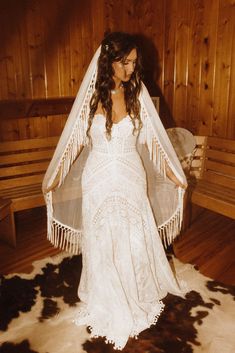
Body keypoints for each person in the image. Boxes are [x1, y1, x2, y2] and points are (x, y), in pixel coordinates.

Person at [42, 32, 188, 350]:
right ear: (108, 61)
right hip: (98, 179)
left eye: (134, 63)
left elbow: (154, 145)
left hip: (131, 176)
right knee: (104, 238)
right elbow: (74, 144)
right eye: (125, 62)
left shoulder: (138, 96)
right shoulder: (90, 99)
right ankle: (106, 296)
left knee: (133, 238)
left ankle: (137, 289)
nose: (130, 69)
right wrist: (55, 177)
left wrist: (174, 176)